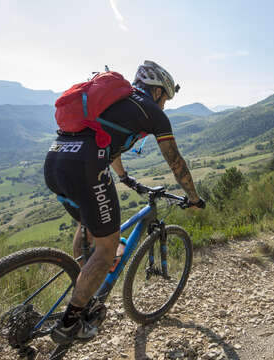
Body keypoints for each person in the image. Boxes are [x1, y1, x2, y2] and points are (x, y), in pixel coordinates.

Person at [44, 60, 205, 344]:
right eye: (166, 98)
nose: (165, 105)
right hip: (85, 166)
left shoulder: (118, 103)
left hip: (56, 158)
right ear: (158, 92)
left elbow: (108, 142)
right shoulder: (153, 113)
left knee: (88, 224)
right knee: (107, 250)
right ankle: (69, 323)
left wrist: (125, 177)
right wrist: (193, 197)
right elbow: (175, 161)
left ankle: (83, 287)